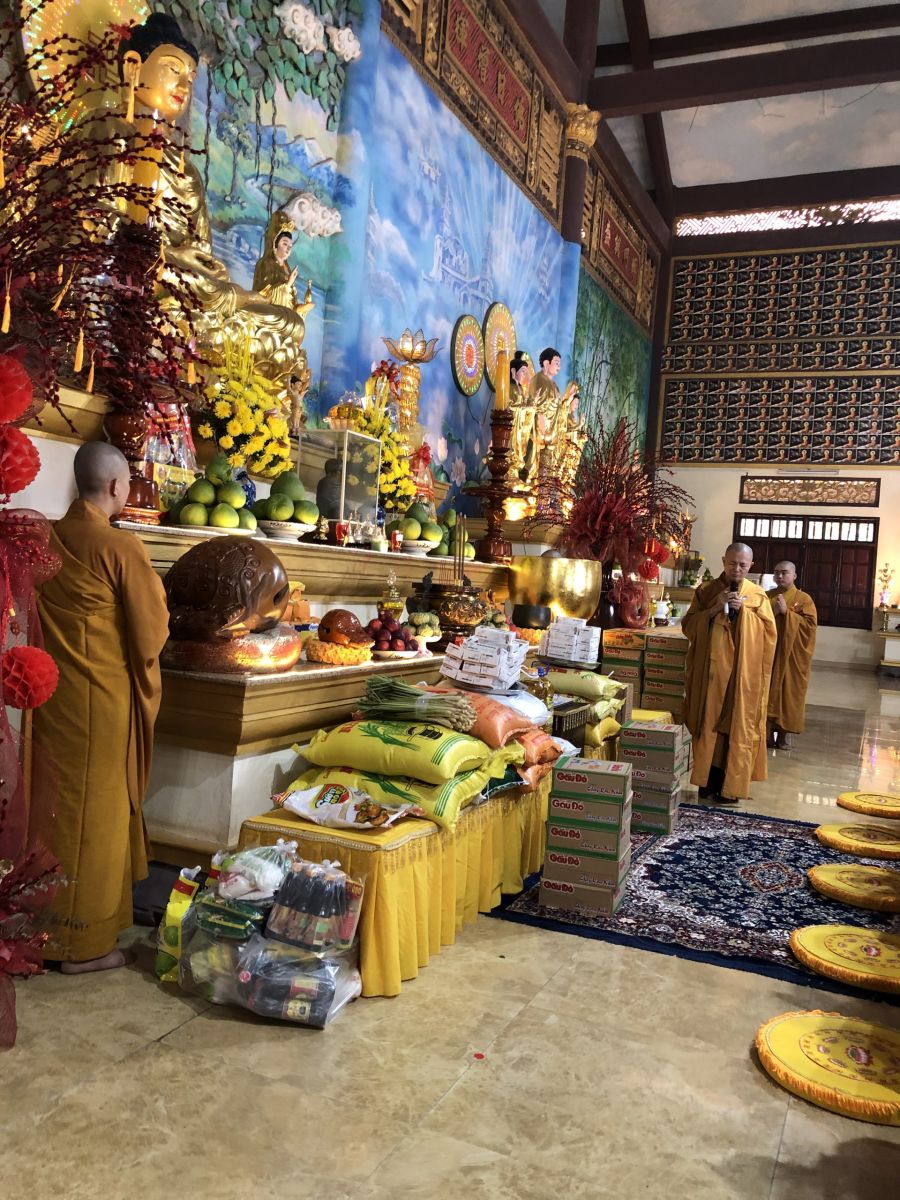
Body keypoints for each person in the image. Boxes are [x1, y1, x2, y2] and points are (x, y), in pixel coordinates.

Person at [34, 443, 170, 972]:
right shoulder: (120, 547)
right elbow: (150, 631)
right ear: (117, 487)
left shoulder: (46, 536)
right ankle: (82, 945)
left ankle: (39, 926)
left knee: (53, 806)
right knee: (96, 815)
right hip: (103, 702)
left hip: (50, 698)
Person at [682, 542, 776, 805]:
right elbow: (689, 626)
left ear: (751, 566)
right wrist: (715, 608)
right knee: (708, 722)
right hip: (711, 673)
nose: (737, 568)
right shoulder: (706, 591)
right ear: (724, 561)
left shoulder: (758, 596)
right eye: (732, 563)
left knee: (737, 724)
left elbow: (770, 635)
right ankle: (707, 782)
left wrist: (744, 613)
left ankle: (730, 787)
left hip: (742, 673)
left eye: (743, 565)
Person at [766, 561, 817, 750]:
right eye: (776, 572)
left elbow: (810, 627)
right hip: (770, 652)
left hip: (791, 656)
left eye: (784, 573)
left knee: (789, 694)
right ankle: (766, 735)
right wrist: (774, 611)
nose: (780, 576)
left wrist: (787, 614)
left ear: (794, 576)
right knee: (766, 691)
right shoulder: (766, 596)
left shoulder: (804, 599)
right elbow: (756, 621)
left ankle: (782, 737)